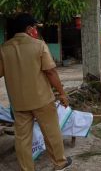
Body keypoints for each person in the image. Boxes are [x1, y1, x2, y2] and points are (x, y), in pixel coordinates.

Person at [0, 13, 72, 171]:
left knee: (22, 138)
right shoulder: (39, 45)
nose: (36, 30)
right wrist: (62, 93)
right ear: (28, 28)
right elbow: (51, 72)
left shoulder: (4, 49)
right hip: (42, 99)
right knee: (51, 132)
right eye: (34, 27)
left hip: (18, 103)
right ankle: (59, 163)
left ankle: (27, 169)